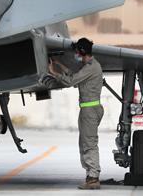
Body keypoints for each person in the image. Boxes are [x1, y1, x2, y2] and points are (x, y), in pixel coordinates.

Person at [48, 37, 104, 190]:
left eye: (77, 52)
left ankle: (93, 178)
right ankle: (90, 175)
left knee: (89, 144)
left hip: (90, 111)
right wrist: (59, 65)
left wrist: (54, 73)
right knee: (85, 143)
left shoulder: (92, 67)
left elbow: (71, 81)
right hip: (88, 109)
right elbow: (76, 75)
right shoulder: (89, 66)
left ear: (82, 52)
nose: (75, 55)